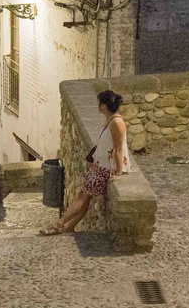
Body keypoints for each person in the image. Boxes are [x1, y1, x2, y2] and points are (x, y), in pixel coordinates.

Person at [41, 90, 129, 236]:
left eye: (99, 103)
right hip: (99, 166)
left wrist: (118, 172)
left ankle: (58, 224)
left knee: (82, 197)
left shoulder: (117, 123)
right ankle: (69, 228)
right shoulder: (111, 119)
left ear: (104, 106)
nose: (97, 106)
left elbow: (119, 149)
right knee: (84, 198)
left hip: (105, 168)